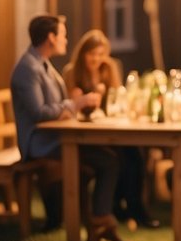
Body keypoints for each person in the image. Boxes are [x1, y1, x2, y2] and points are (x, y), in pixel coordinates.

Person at [10, 15, 123, 241]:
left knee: (108, 158)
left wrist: (71, 107)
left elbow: (56, 106)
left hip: (57, 138)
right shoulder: (28, 69)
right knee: (107, 160)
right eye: (62, 34)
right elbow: (39, 112)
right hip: (40, 144)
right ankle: (99, 221)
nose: (66, 39)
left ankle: (98, 220)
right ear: (51, 37)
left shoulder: (44, 64)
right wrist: (75, 104)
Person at [63, 30, 159, 229]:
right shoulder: (72, 72)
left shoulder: (109, 68)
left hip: (110, 127)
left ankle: (134, 207)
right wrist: (85, 97)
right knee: (121, 157)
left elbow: (118, 98)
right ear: (83, 53)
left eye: (100, 54)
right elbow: (73, 104)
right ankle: (121, 208)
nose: (96, 59)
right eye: (92, 54)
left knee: (136, 154)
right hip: (86, 133)